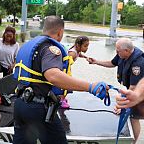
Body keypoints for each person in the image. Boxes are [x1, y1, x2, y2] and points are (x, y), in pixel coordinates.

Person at [13, 16, 109, 144]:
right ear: (60, 32)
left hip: (20, 105)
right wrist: (90, 86)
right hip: (38, 108)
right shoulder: (51, 49)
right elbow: (53, 75)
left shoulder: (30, 45)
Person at [88, 38, 144, 142]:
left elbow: (133, 87)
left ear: (127, 51)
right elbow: (113, 63)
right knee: (129, 115)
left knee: (134, 117)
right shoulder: (122, 54)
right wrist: (96, 62)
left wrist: (122, 105)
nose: (116, 52)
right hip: (131, 89)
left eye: (118, 51)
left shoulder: (138, 63)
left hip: (139, 92)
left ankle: (133, 142)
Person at [60, 36, 90, 109]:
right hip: (64, 69)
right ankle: (61, 100)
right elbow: (65, 64)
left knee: (67, 84)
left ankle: (62, 98)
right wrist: (66, 75)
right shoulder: (72, 54)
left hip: (67, 69)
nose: (87, 48)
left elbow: (79, 54)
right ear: (78, 45)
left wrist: (85, 57)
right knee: (66, 84)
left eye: (87, 46)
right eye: (85, 46)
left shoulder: (77, 51)